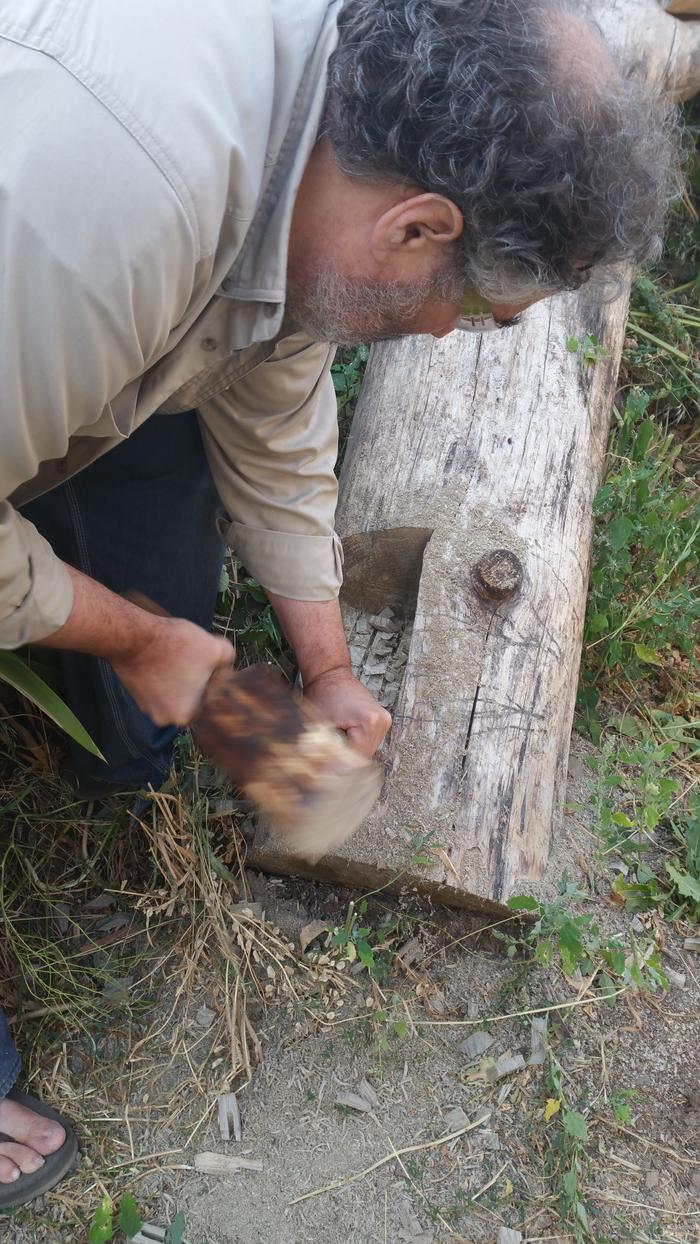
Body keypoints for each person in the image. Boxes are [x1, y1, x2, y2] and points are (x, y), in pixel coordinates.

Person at [0, 0, 677, 1205]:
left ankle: (108, 753)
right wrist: (132, 633)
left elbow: (270, 404)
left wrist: (324, 669)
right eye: (465, 310)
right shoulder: (103, 199)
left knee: (146, 548)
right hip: (54, 262)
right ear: (421, 226)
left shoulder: (332, 139)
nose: (438, 332)